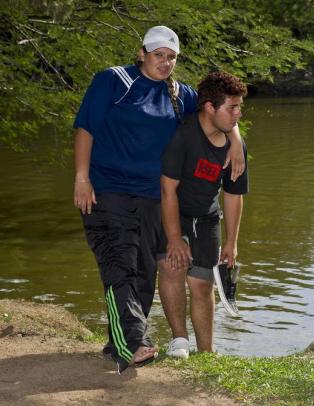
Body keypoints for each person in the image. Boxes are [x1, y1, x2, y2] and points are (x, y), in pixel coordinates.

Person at [72, 26, 245, 373]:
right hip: (108, 191)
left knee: (143, 272)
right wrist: (82, 177)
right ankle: (134, 343)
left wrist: (237, 141)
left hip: (153, 196)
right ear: (142, 53)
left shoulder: (180, 94)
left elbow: (220, 110)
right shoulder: (113, 81)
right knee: (118, 263)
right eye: (158, 55)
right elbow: (85, 128)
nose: (165, 62)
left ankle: (117, 340)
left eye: (171, 57)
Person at [158, 71, 249, 358]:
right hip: (175, 213)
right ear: (210, 107)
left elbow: (233, 196)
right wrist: (174, 238)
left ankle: (206, 353)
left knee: (202, 285)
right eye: (231, 108)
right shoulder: (183, 136)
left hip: (208, 218)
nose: (238, 114)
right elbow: (167, 190)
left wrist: (232, 243)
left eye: (239, 107)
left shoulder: (236, 148)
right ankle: (179, 340)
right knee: (173, 268)